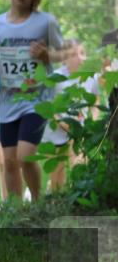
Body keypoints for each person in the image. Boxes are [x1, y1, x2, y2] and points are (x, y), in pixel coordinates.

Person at [0, 0, 63, 202]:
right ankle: (14, 212)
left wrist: (46, 55)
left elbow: (62, 53)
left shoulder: (45, 22)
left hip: (37, 99)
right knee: (8, 160)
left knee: (25, 156)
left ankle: (38, 205)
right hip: (8, 100)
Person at [42, 40, 100, 192]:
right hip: (58, 131)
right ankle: (53, 197)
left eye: (82, 53)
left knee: (78, 165)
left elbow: (95, 101)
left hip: (80, 130)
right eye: (74, 55)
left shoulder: (91, 77)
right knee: (58, 173)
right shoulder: (56, 78)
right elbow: (48, 106)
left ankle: (75, 201)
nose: (80, 58)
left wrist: (92, 120)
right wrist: (62, 122)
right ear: (64, 59)